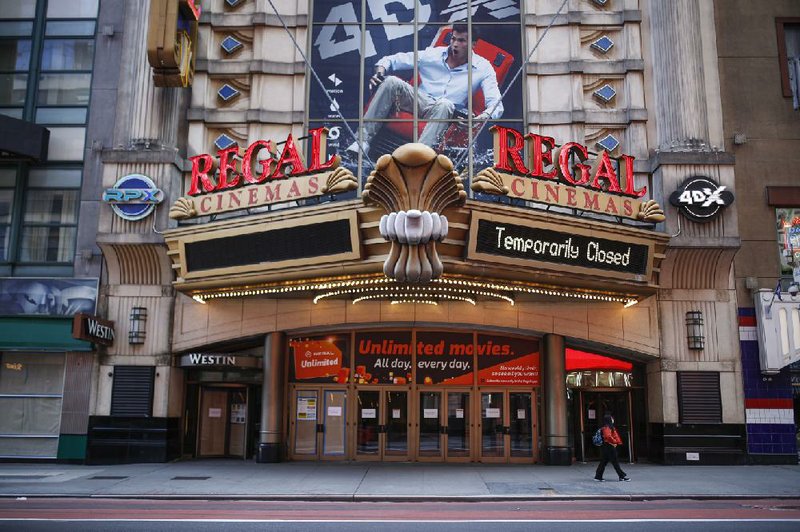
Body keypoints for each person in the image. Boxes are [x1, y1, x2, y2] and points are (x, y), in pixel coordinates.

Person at [346, 23, 504, 156]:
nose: (455, 44)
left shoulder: (483, 67)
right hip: (419, 99)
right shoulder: (433, 54)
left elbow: (496, 104)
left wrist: (481, 117)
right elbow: (392, 60)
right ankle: (362, 142)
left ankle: (418, 156)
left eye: (461, 41)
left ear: (473, 45)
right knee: (391, 81)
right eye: (453, 39)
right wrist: (379, 73)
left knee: (445, 104)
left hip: (444, 110)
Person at [594, 414, 631, 482]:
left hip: (607, 446)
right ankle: (621, 476)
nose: (613, 420)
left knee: (603, 462)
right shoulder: (607, 427)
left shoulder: (607, 427)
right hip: (609, 446)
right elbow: (608, 436)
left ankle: (598, 476)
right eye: (612, 418)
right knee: (615, 462)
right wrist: (614, 442)